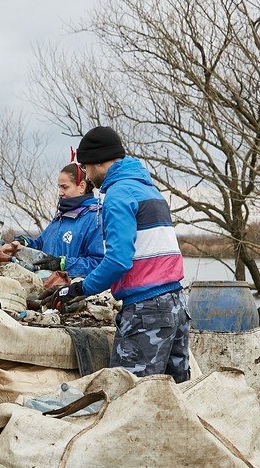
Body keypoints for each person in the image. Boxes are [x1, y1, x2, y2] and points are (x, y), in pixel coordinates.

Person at [52, 126, 190, 382]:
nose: (87, 175)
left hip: (147, 310)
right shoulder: (149, 189)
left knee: (128, 393)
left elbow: (118, 260)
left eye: (87, 167)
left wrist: (80, 289)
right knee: (176, 392)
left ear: (99, 161)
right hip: (177, 304)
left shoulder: (118, 195)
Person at [13, 162, 104, 277]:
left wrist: (62, 264)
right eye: (59, 187)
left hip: (74, 285)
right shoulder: (62, 216)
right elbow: (41, 244)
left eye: (65, 187)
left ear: (81, 186)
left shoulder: (95, 218)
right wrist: (25, 243)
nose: (60, 193)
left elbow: (98, 263)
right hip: (47, 281)